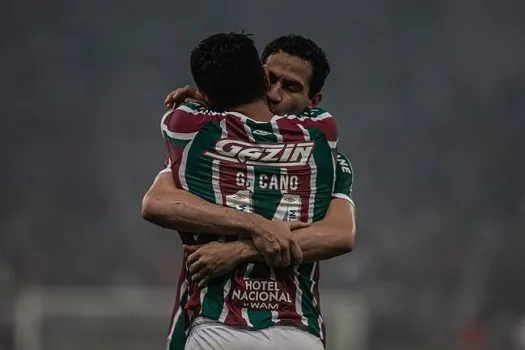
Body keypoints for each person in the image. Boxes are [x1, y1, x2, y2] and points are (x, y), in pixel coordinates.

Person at [142, 33, 356, 350]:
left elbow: (340, 235)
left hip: (220, 329)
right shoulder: (323, 144)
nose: (275, 94)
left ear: (313, 101)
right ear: (257, 76)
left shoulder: (197, 136)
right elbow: (157, 203)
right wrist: (260, 228)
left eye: (291, 87)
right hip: (293, 334)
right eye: (270, 79)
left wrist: (240, 250)